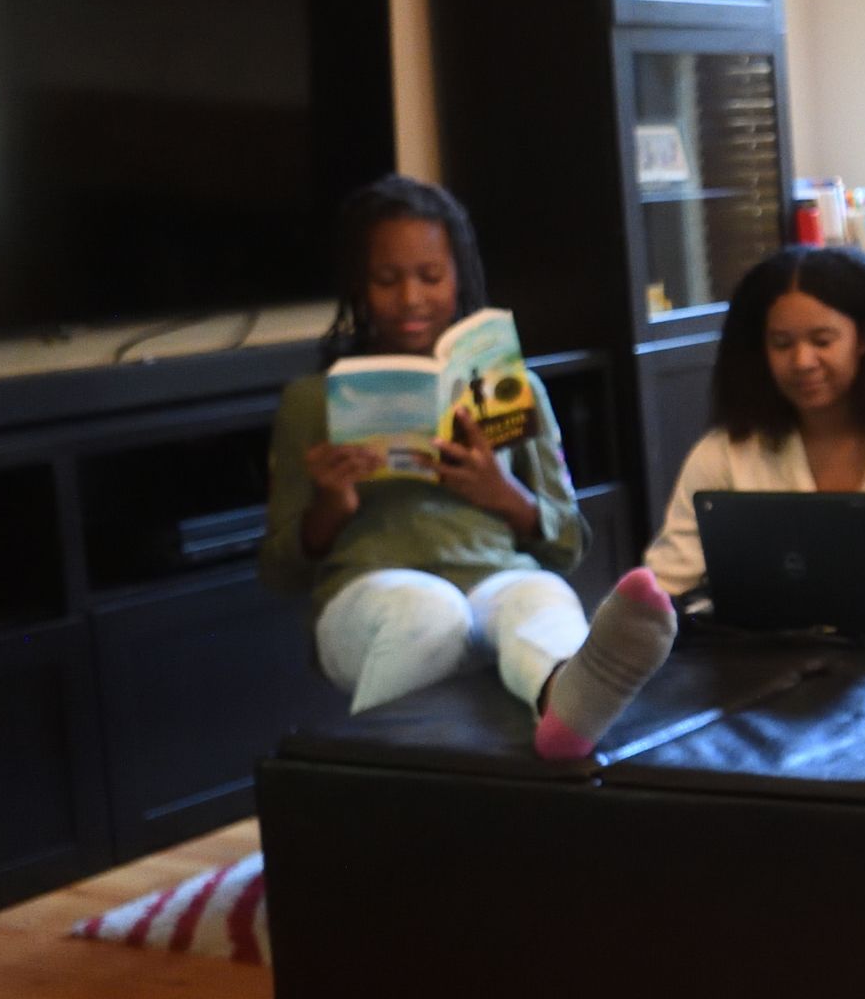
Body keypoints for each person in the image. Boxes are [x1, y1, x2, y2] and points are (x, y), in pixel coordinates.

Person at [260, 177, 674, 760]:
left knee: (541, 595)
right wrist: (330, 508)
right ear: (359, 285)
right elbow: (278, 572)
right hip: (367, 598)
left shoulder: (511, 388)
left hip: (497, 579)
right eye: (387, 279)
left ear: (459, 277)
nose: (410, 298)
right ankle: (377, 783)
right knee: (431, 611)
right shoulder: (312, 400)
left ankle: (568, 703)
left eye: (430, 276)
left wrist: (503, 494)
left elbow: (569, 543)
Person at [643, 246, 865, 598]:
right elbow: (666, 583)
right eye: (781, 344)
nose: (802, 361)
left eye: (822, 341)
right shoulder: (723, 452)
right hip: (764, 650)